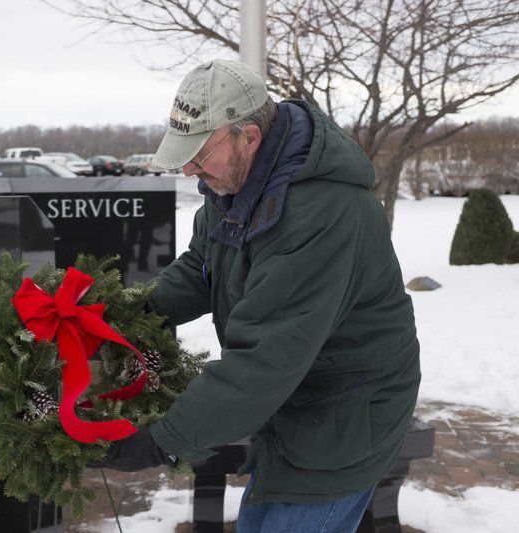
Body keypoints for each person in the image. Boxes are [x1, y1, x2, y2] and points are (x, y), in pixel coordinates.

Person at [88, 58, 421, 532]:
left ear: (249, 136)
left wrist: (162, 440)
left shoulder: (322, 213)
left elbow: (264, 358)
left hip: (344, 412)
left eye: (199, 154)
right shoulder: (232, 185)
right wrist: (122, 319)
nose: (188, 169)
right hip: (293, 401)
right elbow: (201, 271)